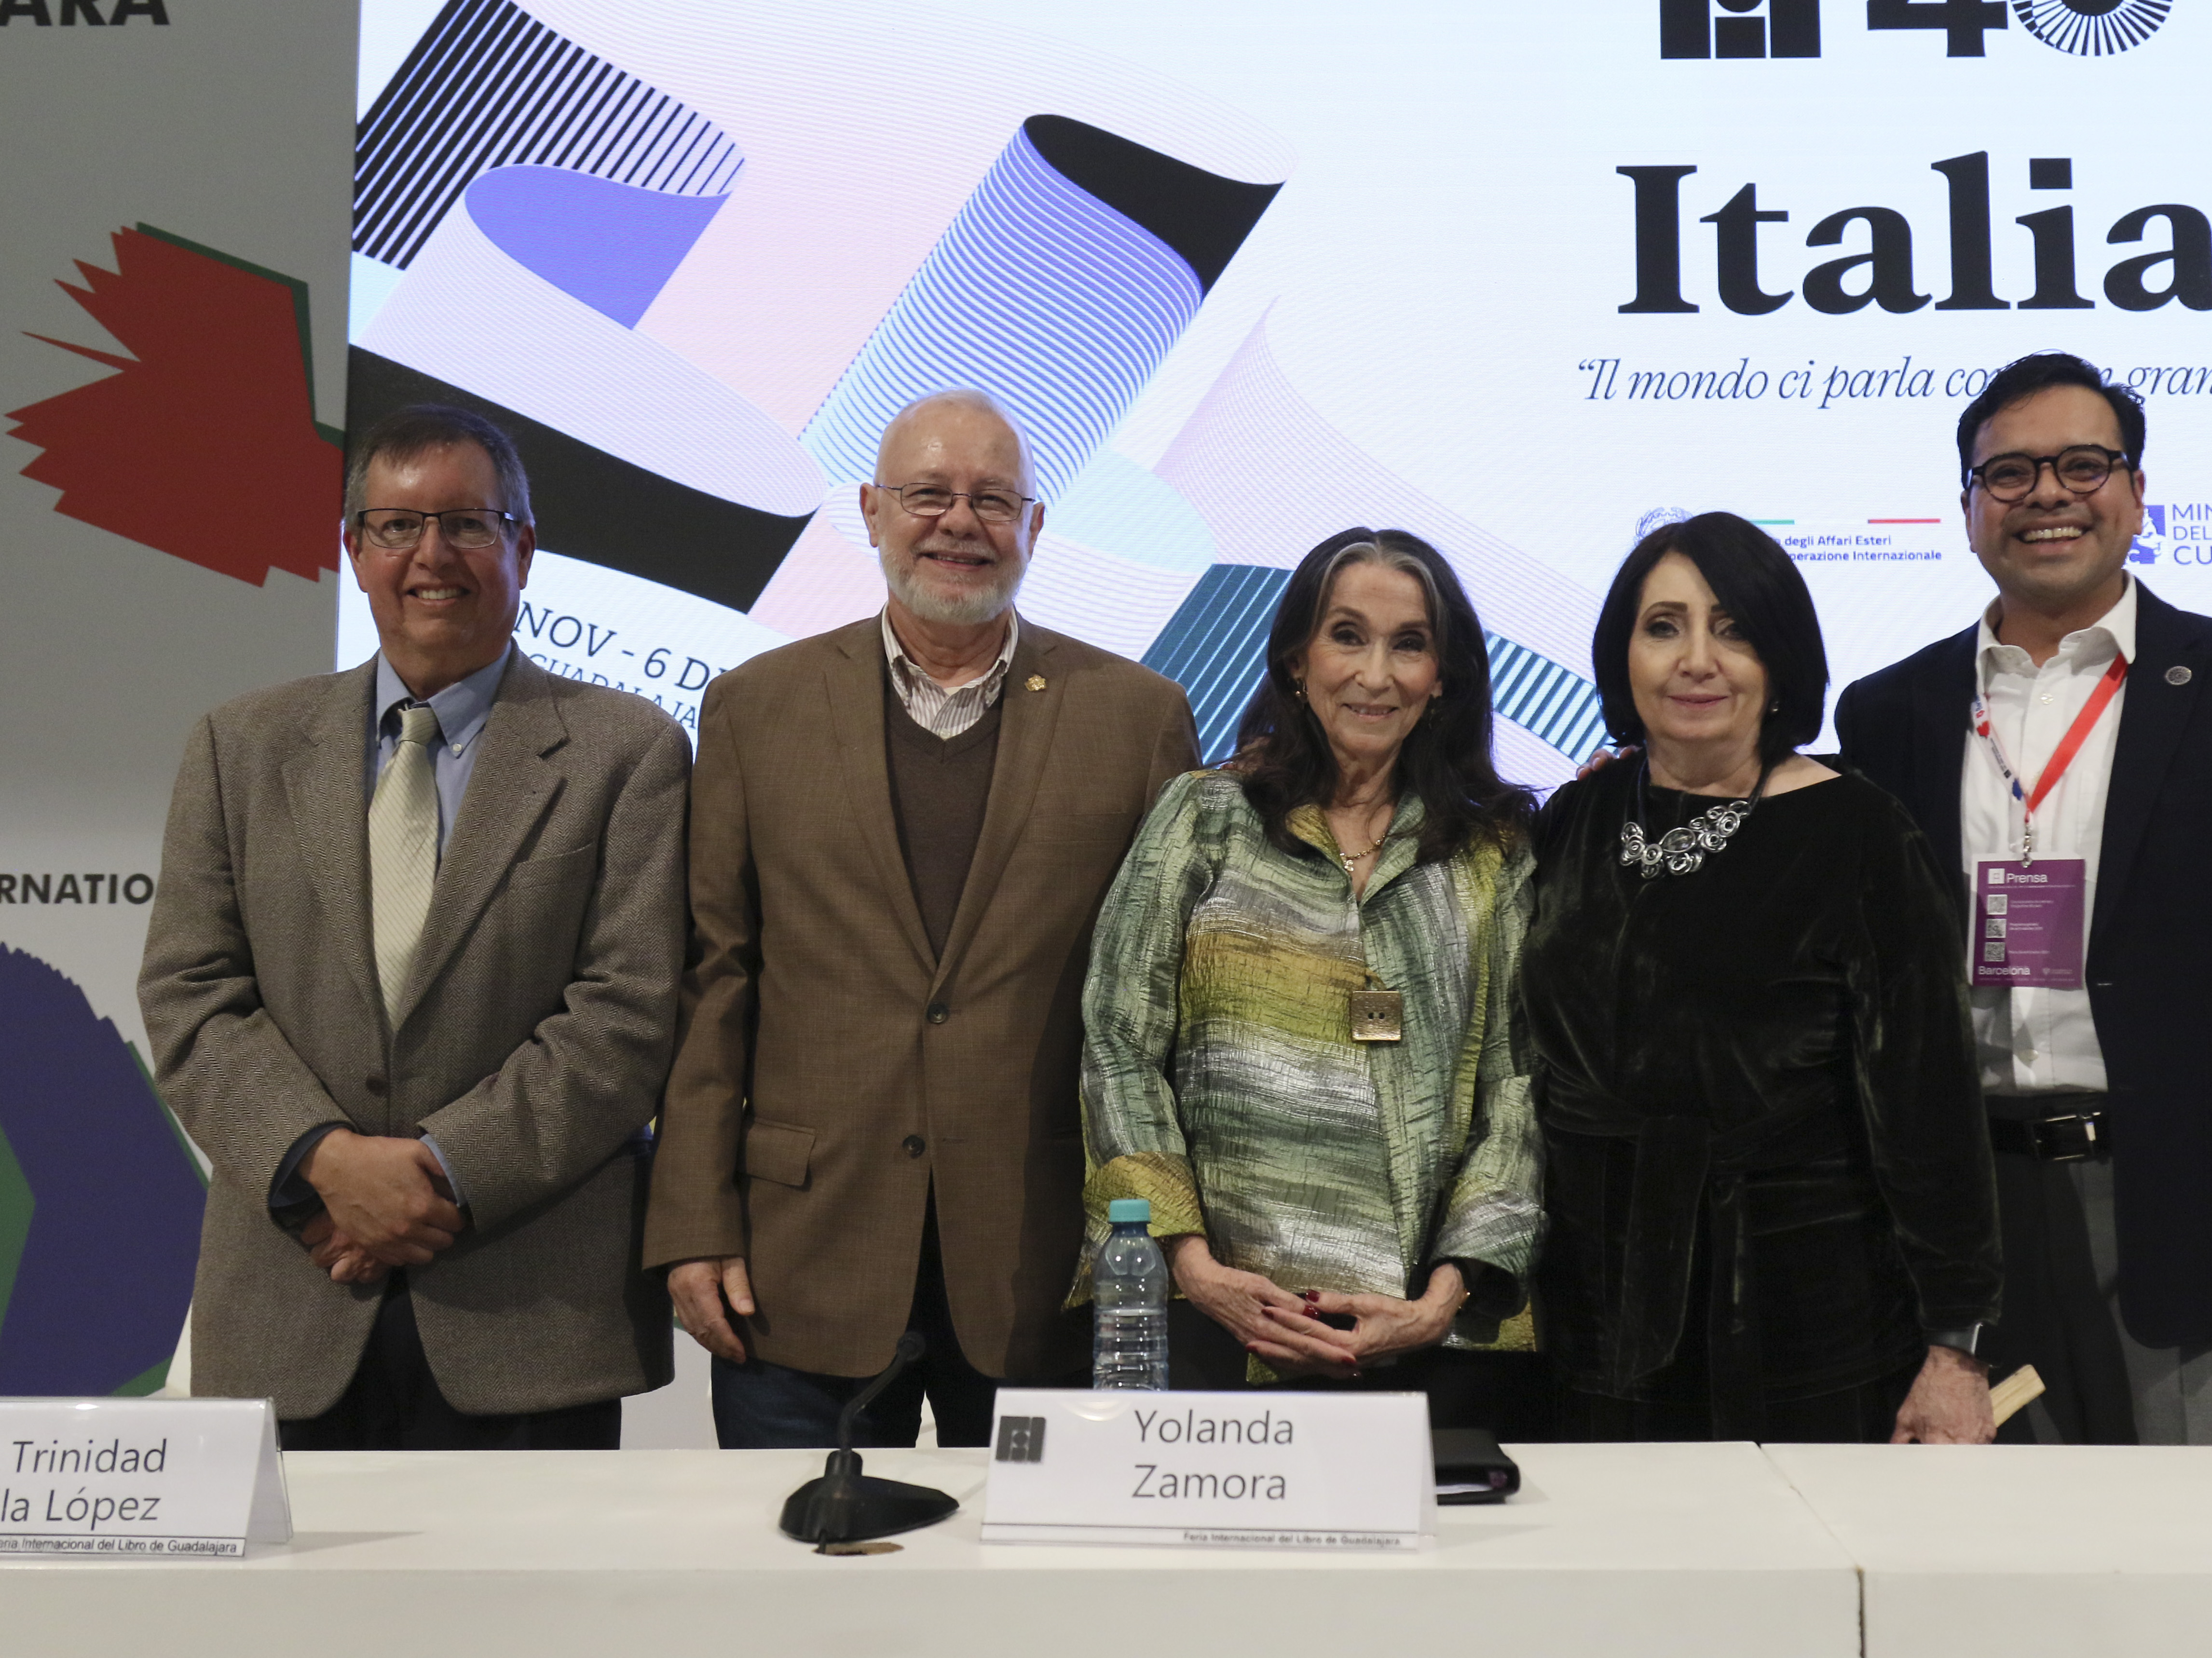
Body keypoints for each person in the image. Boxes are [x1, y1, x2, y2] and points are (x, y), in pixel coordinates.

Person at [1834, 352, 2212, 1445]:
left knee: (2208, 1544)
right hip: (1961, 1227)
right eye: (2009, 473)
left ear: (2136, 492)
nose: (2047, 493)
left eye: (2083, 465)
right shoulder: (1889, 711)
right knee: (1975, 1543)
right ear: (1968, 508)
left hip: (2194, 1226)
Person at [647, 388, 1199, 1448]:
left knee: (1048, 1563)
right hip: (799, 1262)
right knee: (795, 1556)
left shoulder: (1139, 719)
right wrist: (692, 1221)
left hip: (1048, 1266)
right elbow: (715, 978)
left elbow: (1163, 1009)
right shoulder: (755, 708)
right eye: (928, 494)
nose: (960, 522)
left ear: (1035, 525)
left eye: (993, 499)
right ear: (870, 511)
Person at [138, 404, 689, 1449]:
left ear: (524, 548)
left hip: (527, 1308)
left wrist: (431, 1178)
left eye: (468, 523)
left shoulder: (629, 751)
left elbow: (628, 1015)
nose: (432, 556)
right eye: (397, 526)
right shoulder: (239, 746)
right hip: (293, 1285)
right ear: (354, 551)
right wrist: (324, 1164)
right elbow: (190, 996)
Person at [1525, 512, 2002, 1444]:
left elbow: (1931, 1111)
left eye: (1734, 630)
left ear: (1780, 659)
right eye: (1664, 627)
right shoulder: (1578, 815)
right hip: (1583, 1305)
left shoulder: (1861, 834)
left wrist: (1956, 1348)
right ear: (1623, 653)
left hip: (1802, 1317)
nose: (1697, 660)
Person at [1078, 528, 1543, 1429]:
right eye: (1347, 636)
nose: (1375, 674)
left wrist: (1440, 1301)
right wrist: (1191, 1266)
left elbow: (1515, 1089)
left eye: (1409, 644)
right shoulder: (1204, 816)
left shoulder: (1495, 852)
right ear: (1297, 659)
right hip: (1216, 1325)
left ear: (1443, 677)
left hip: (1435, 1342)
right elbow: (1119, 1048)